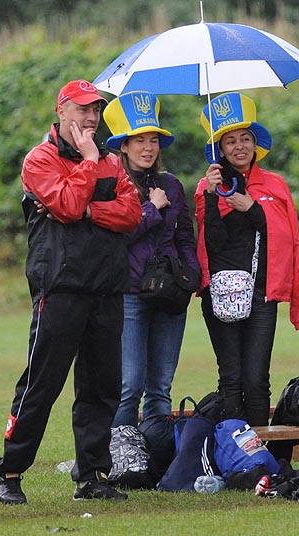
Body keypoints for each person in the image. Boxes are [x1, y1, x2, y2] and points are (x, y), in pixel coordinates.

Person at [0, 80, 141, 504]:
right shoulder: (40, 159)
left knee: (101, 388)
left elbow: (132, 213)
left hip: (106, 289)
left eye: (96, 110)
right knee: (41, 384)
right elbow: (67, 205)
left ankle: (92, 477)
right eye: (82, 109)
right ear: (61, 111)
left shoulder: (113, 161)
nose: (91, 118)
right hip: (59, 288)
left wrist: (90, 208)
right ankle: (10, 472)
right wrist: (88, 165)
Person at [194, 92, 299, 426]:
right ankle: (233, 449)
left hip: (261, 295)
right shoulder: (208, 185)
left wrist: (252, 208)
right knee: (231, 379)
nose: (239, 146)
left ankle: (260, 448)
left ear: (256, 144)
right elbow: (212, 242)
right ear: (220, 148)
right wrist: (213, 197)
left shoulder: (275, 184)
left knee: (257, 379)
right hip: (222, 293)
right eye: (230, 141)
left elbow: (286, 238)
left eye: (246, 138)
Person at [101, 91, 199, 427]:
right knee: (130, 385)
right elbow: (117, 236)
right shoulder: (112, 186)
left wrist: (191, 274)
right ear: (124, 146)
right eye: (139, 140)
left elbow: (185, 236)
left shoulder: (171, 184)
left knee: (160, 387)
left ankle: (156, 449)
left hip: (170, 292)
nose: (148, 148)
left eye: (153, 140)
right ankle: (120, 450)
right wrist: (151, 208)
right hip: (129, 293)